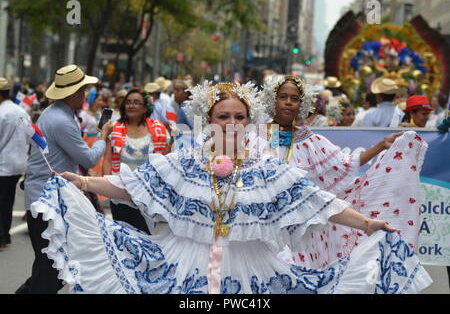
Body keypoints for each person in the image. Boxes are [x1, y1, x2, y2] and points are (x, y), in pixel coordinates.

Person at [29, 81, 431, 294]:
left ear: (248, 121)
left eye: (240, 117)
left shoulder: (268, 166)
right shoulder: (185, 160)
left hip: (251, 268)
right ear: (209, 120)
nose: (232, 124)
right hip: (185, 265)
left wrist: (366, 224)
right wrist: (82, 181)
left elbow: (318, 203)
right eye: (224, 116)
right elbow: (131, 185)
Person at [260, 75, 426, 268]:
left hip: (301, 233)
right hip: (264, 228)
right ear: (273, 99)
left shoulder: (310, 140)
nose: (288, 102)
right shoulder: (255, 136)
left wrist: (382, 145)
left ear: (302, 104)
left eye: (294, 98)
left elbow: (345, 164)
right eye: (283, 96)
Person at [15, 65, 113, 294]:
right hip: (46, 201)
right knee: (52, 268)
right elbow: (88, 159)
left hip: (49, 197)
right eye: (83, 91)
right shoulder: (61, 119)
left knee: (50, 267)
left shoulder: (57, 113)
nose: (86, 96)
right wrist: (102, 136)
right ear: (73, 94)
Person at [102, 88, 170, 234]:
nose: (131, 106)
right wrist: (108, 185)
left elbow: (166, 158)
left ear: (145, 107)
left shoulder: (159, 129)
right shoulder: (114, 128)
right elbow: (107, 159)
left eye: (136, 102)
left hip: (149, 192)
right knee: (123, 235)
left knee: (147, 235)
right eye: (128, 102)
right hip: (120, 191)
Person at [0, 78, 31, 249]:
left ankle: (2, 236)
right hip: (18, 163)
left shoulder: (1, 113)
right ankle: (5, 235)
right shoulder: (21, 111)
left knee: (1, 202)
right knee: (8, 201)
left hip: (3, 164)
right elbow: (30, 135)